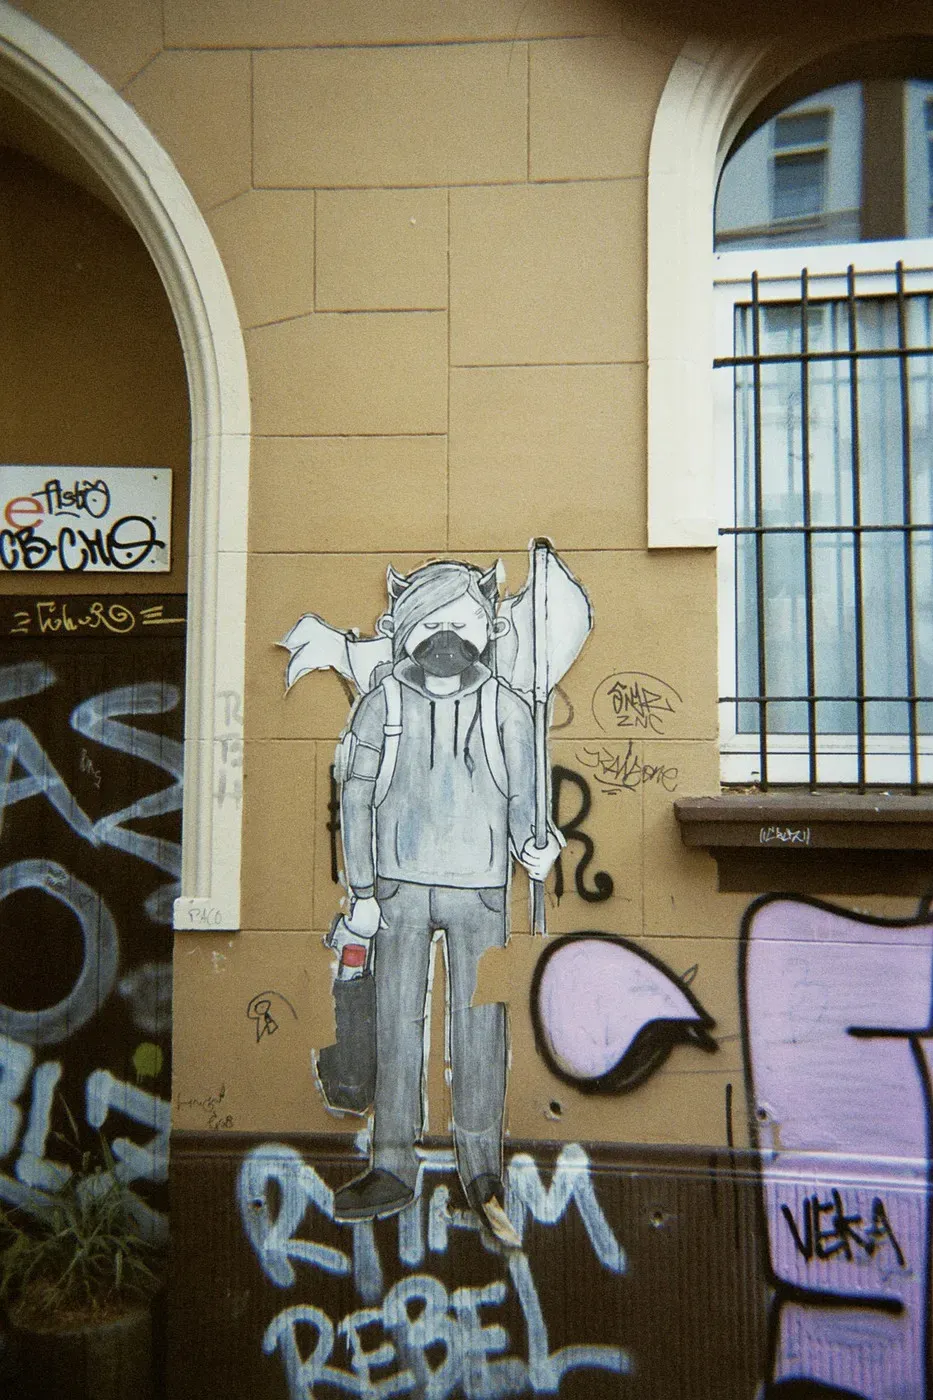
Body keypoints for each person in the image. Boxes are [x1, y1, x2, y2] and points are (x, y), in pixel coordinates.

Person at [332, 559, 560, 1236]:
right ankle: (392, 1162)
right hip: (398, 888)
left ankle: (481, 1168)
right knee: (395, 1024)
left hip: (481, 890)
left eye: (459, 624)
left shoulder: (507, 706)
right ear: (405, 628)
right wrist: (361, 890)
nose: (445, 640)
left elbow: (525, 796)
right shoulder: (381, 704)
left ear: (484, 630)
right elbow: (355, 799)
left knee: (479, 1028)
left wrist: (536, 844)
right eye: (429, 625)